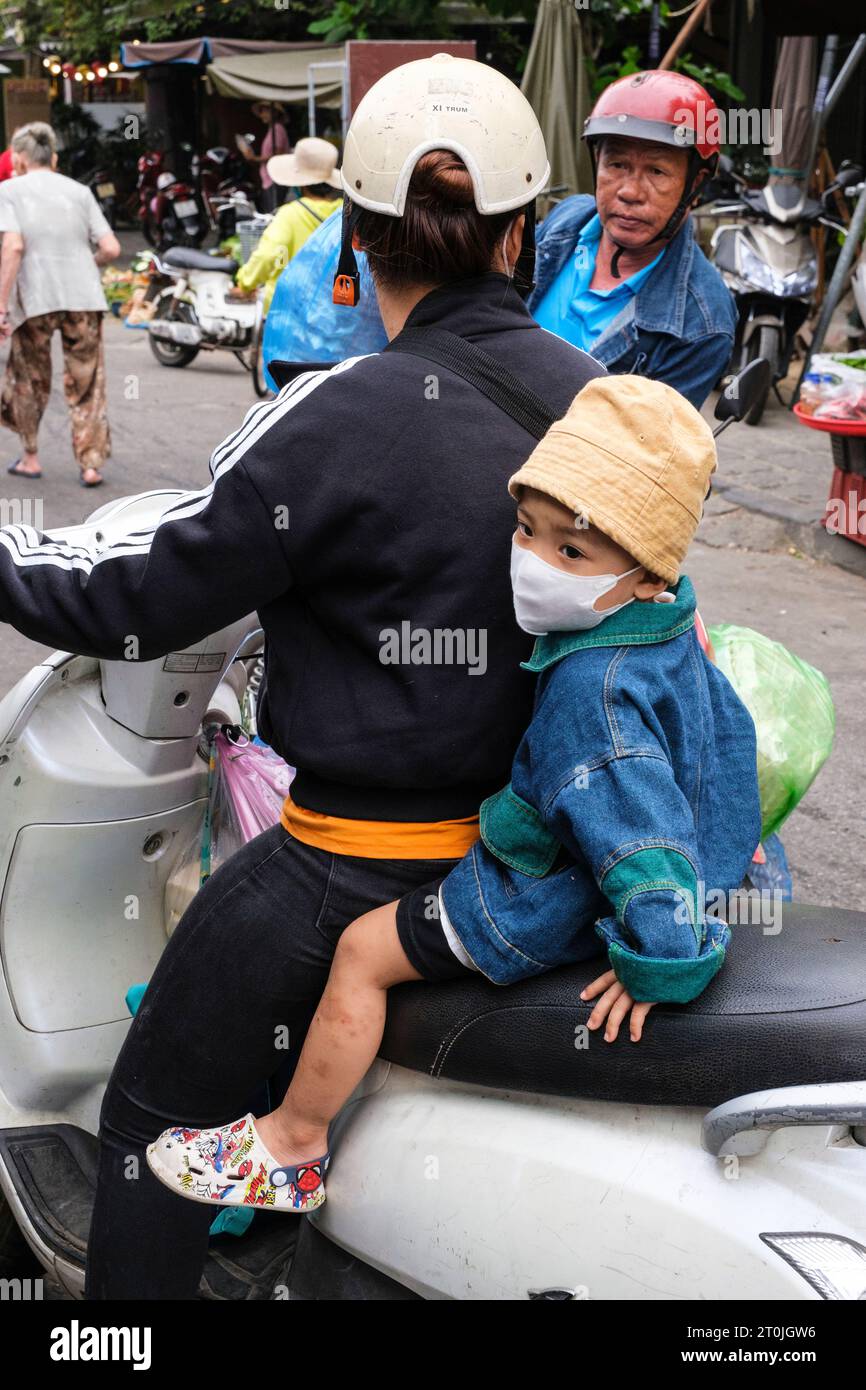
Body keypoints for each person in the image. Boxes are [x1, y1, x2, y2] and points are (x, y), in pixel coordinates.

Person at [0, 53, 603, 1298]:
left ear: (352, 240)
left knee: (151, 1132)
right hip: (547, 863)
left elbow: (134, 589)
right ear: (523, 235)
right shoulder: (598, 403)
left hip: (352, 864)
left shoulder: (332, 414)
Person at [145, 374, 761, 1214]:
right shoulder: (668, 624)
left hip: (545, 901)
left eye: (571, 552)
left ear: (647, 571)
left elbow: (639, 839)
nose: (534, 561)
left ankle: (292, 1144)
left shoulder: (594, 695)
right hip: (637, 868)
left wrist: (658, 957)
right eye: (525, 528)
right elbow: (726, 743)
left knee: (362, 952)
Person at [530, 70, 736, 409]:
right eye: (617, 164)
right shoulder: (566, 221)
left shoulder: (703, 321)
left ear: (696, 184)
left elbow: (644, 450)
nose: (629, 192)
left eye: (657, 171)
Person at [0, 121, 120, 486]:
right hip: (83, 297)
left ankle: (31, 458)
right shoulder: (80, 191)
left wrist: (1, 306)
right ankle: (90, 464)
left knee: (29, 380)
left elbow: (13, 248)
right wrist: (86, 264)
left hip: (35, 299)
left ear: (18, 158)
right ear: (52, 157)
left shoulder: (9, 190)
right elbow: (111, 248)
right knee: (87, 381)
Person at [233, 138, 342, 313]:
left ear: (300, 183)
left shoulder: (290, 214)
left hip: (290, 311)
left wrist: (245, 283)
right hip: (335, 308)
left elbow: (267, 256)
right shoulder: (343, 212)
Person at [244, 101, 290, 213]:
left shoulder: (277, 129)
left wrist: (255, 158)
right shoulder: (272, 130)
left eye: (265, 111)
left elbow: (277, 155)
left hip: (275, 179)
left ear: (274, 113)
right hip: (269, 179)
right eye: (261, 112)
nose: (262, 115)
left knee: (273, 213)